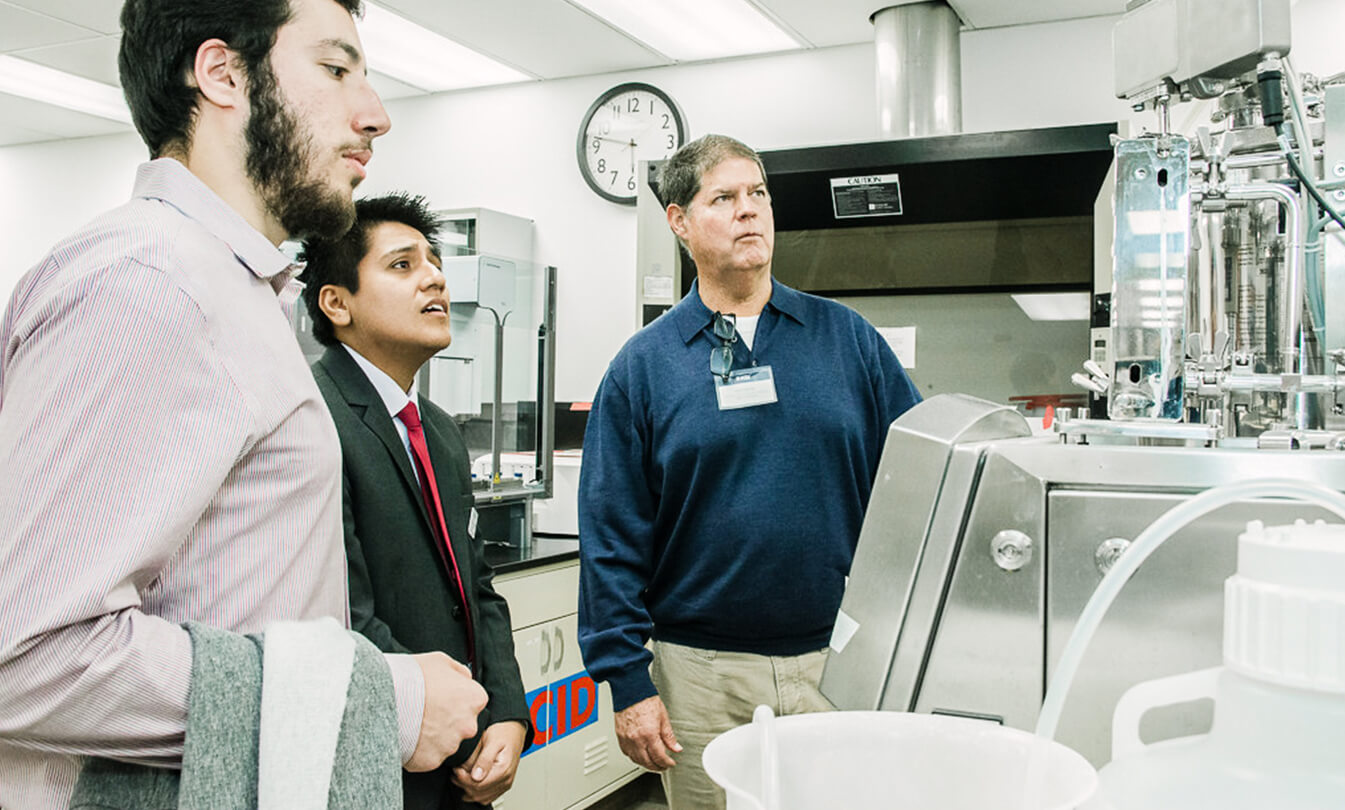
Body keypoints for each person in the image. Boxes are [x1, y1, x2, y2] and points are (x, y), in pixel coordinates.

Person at [0, 2, 485, 807]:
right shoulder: (149, 286)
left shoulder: (233, 292)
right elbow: (26, 656)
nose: (375, 114)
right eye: (336, 69)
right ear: (223, 75)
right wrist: (382, 704)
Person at [577, 134, 922, 809]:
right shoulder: (643, 367)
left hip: (838, 661)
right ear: (678, 221)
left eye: (758, 194)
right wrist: (627, 683)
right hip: (698, 673)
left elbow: (917, 480)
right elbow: (610, 536)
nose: (749, 211)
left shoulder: (845, 339)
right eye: (724, 198)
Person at [300, 192, 530, 809]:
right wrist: (444, 714)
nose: (434, 277)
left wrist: (507, 712)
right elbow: (339, 615)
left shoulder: (437, 428)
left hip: (457, 756)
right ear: (336, 303)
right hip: (373, 761)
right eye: (402, 265)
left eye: (434, 262)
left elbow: (476, 587)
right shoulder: (312, 421)